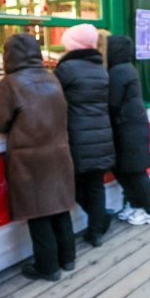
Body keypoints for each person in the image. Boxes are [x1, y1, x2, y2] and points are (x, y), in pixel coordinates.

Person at [0, 34, 77, 281]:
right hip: (58, 154)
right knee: (59, 208)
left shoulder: (10, 83)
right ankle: (67, 259)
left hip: (29, 160)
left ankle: (47, 268)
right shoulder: (52, 78)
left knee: (39, 213)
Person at [54, 24, 115, 247]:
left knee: (75, 185)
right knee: (95, 185)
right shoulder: (99, 66)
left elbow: (53, 99)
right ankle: (96, 230)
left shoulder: (67, 68)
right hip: (101, 135)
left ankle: (98, 221)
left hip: (77, 136)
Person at [106, 35, 150, 225]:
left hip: (129, 128)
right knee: (126, 169)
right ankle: (136, 206)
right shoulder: (126, 68)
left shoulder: (119, 71)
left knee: (135, 171)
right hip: (131, 126)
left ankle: (149, 211)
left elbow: (112, 102)